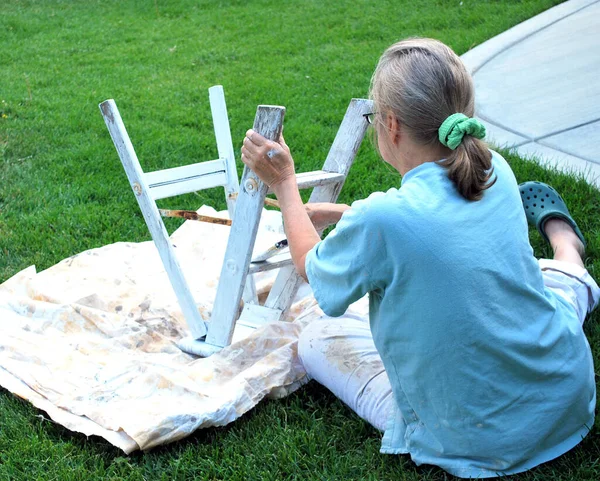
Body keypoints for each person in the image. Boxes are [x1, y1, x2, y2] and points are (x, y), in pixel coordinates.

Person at [240, 38, 599, 478]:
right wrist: (338, 213)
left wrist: (285, 184)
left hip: (475, 438)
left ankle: (565, 248)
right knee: (544, 280)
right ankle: (566, 243)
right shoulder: (495, 169)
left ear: (391, 125)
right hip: (565, 395)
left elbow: (310, 266)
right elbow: (432, 226)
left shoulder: (384, 220)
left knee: (317, 339)